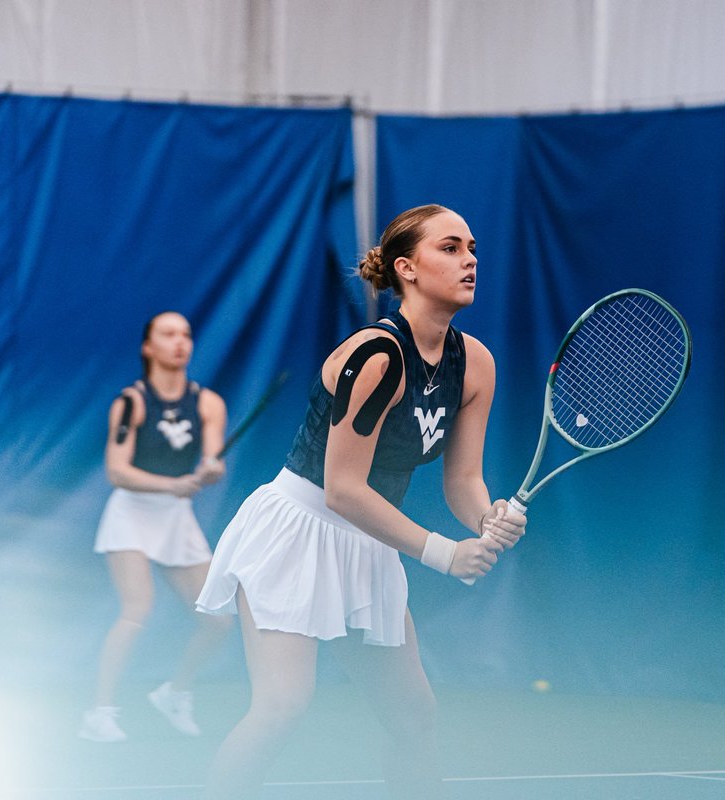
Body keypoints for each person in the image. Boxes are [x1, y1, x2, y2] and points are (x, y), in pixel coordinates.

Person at [195, 204, 527, 798]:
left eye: (472, 247)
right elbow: (343, 490)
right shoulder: (374, 355)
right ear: (407, 268)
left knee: (413, 717)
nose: (470, 259)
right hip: (296, 532)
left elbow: (462, 481)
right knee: (282, 708)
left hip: (369, 543)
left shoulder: (475, 363)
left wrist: (487, 518)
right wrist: (445, 554)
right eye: (449, 248)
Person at [79, 311, 233, 743]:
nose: (179, 342)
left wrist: (210, 470)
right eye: (168, 335)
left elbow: (211, 463)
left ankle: (175, 691)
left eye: (185, 334)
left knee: (217, 617)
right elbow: (117, 471)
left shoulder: (208, 403)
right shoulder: (131, 401)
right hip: (131, 513)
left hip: (174, 517)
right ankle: (98, 713)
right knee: (137, 609)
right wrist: (173, 484)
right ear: (148, 347)